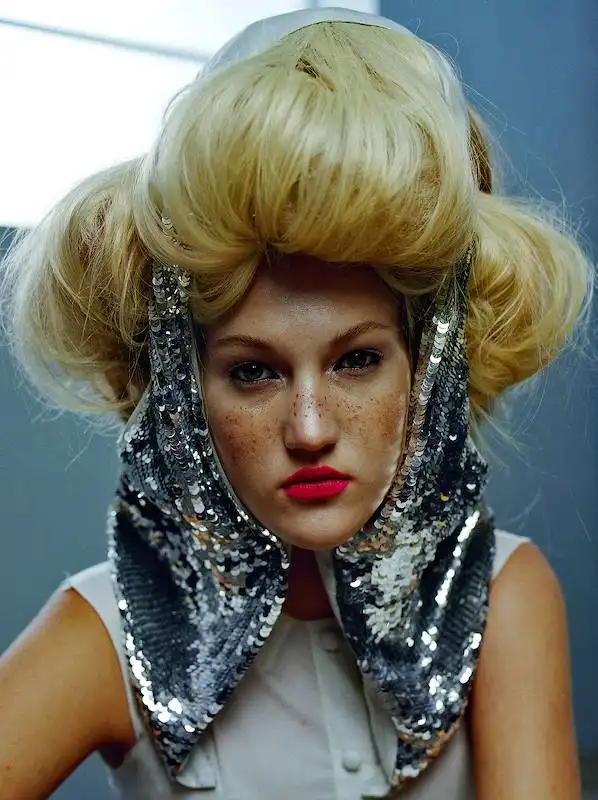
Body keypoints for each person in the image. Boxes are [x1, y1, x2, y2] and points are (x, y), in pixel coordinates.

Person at [0, 7, 592, 800]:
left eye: (357, 361)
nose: (310, 430)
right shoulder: (106, 629)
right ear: (186, 386)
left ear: (426, 367)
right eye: (254, 372)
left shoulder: (501, 594)